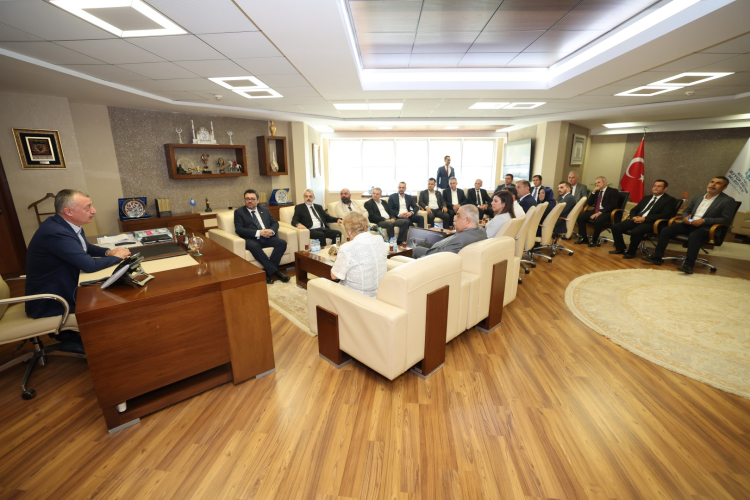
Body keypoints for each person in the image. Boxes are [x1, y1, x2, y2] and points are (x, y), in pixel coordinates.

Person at [25, 189, 129, 353]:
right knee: (110, 299)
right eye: (88, 208)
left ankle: (76, 336)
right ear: (69, 211)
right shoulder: (56, 232)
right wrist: (118, 257)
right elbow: (89, 265)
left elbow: (85, 247)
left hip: (62, 286)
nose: (94, 211)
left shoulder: (66, 225)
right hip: (51, 300)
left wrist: (108, 252)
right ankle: (84, 342)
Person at [644, 176, 736, 273]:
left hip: (707, 228)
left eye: (718, 183)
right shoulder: (698, 197)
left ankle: (688, 265)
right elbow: (687, 211)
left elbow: (726, 219)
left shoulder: (727, 201)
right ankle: (657, 257)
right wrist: (685, 218)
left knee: (694, 235)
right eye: (712, 182)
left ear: (724, 188)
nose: (713, 184)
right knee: (666, 230)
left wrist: (704, 220)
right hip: (689, 224)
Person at [235, 189, 290, 284]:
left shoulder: (264, 210)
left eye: (252, 199)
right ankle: (277, 272)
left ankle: (267, 273)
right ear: (244, 200)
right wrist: (259, 232)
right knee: (254, 246)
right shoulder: (239, 212)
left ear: (257, 200)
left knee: (282, 243)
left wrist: (271, 231)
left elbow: (275, 223)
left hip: (267, 237)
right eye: (247, 199)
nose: (249, 201)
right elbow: (239, 230)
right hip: (252, 239)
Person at [609, 180, 675, 259]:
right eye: (654, 186)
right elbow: (634, 210)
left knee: (636, 231)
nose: (656, 187)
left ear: (665, 189)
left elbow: (665, 215)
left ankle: (631, 252)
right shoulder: (646, 198)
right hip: (637, 219)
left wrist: (645, 219)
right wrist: (633, 217)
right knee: (615, 227)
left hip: (652, 223)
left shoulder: (670, 200)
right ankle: (620, 248)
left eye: (659, 186)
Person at [330, 211, 388, 298]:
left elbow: (334, 276)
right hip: (380, 293)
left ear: (349, 231)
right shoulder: (379, 239)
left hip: (356, 297)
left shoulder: (346, 248)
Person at [411, 205, 487, 258]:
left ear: (467, 220)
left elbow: (439, 260)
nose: (454, 219)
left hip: (435, 256)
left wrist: (421, 259)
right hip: (440, 248)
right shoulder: (482, 231)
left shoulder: (458, 241)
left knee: (416, 250)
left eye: (458, 216)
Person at [575, 176, 619, 247]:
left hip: (607, 212)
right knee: (580, 218)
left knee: (598, 220)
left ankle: (594, 240)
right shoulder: (597, 191)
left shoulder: (613, 191)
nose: (597, 184)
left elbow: (612, 205)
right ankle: (584, 238)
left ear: (605, 182)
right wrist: (593, 192)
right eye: (596, 183)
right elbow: (589, 203)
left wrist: (600, 212)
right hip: (596, 210)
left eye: (599, 182)